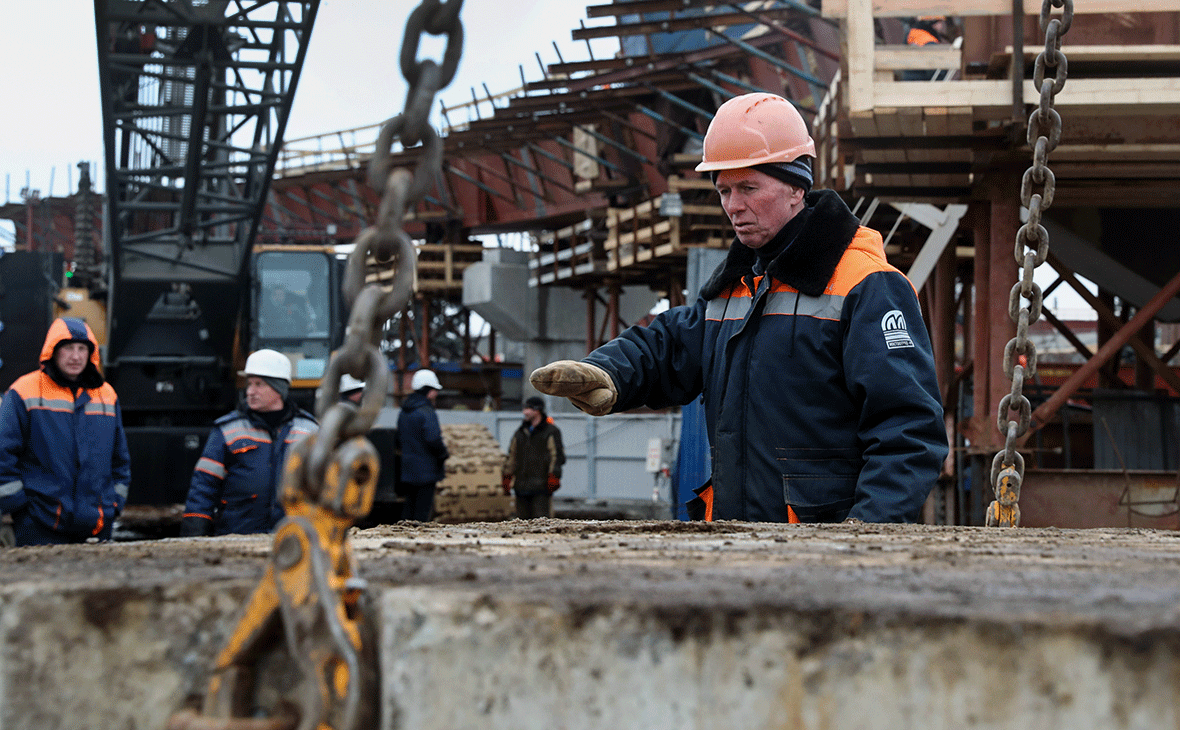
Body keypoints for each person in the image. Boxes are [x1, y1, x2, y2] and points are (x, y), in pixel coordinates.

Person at [531, 92, 947, 524]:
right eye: (724, 189)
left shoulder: (867, 286)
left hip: (825, 550)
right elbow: (670, 342)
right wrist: (610, 372)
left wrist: (866, 533)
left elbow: (908, 431)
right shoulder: (734, 289)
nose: (733, 205)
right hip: (734, 540)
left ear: (795, 187)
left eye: (748, 188)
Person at [0, 317, 130, 546]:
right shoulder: (24, 391)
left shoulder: (106, 395)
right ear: (53, 351)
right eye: (68, 348)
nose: (76, 356)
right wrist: (18, 507)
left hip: (96, 525)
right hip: (39, 526)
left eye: (82, 349)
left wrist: (114, 504)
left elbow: (120, 459)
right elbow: (3, 452)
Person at [180, 349, 318, 536]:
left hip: (293, 539)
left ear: (279, 389)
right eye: (249, 384)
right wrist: (194, 533)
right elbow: (204, 485)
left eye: (259, 384)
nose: (251, 391)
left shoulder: (308, 431)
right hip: (236, 537)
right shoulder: (228, 430)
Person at [502, 396, 566, 519]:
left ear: (537, 410)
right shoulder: (520, 433)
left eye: (528, 409)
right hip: (521, 487)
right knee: (521, 524)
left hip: (541, 487)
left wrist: (554, 476)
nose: (524, 412)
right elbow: (512, 456)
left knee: (541, 523)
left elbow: (557, 456)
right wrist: (506, 476)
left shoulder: (551, 432)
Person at [397, 368, 448, 522]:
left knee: (409, 508)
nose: (436, 394)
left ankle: (404, 538)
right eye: (434, 390)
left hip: (408, 469)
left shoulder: (404, 411)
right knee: (422, 512)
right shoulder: (426, 412)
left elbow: (399, 438)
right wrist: (443, 454)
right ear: (428, 390)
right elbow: (433, 438)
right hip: (426, 471)